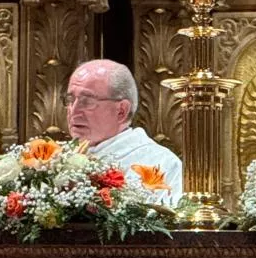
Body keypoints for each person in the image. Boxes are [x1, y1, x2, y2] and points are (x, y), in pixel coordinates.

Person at [64, 59, 182, 198]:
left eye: (87, 101)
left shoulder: (161, 164)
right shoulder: (57, 161)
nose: (73, 110)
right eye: (70, 100)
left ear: (121, 111)